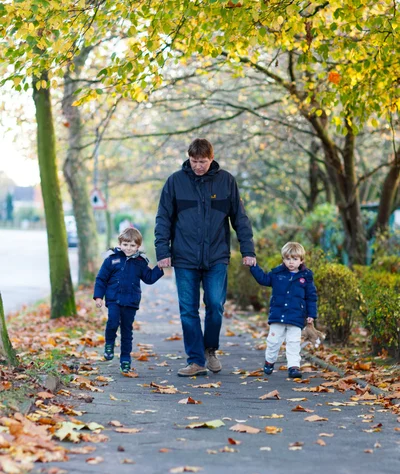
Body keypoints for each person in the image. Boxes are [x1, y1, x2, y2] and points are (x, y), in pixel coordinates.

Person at [155, 138, 256, 377]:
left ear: (211, 158)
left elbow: (239, 219)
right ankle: (196, 361)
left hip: (216, 257)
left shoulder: (226, 182)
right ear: (188, 158)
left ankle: (210, 349)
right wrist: (163, 252)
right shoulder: (175, 182)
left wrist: (248, 250)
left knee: (215, 305)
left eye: (202, 161)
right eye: (194, 161)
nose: (198, 166)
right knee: (188, 310)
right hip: (185, 258)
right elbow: (163, 219)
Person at [94, 227, 163, 374]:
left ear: (138, 246)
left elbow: (149, 278)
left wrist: (160, 268)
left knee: (127, 331)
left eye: (132, 245)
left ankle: (125, 359)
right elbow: (101, 279)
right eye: (125, 244)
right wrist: (99, 296)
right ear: (120, 243)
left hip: (131, 301)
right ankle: (109, 344)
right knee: (112, 322)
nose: (128, 248)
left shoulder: (140, 262)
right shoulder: (111, 260)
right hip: (114, 299)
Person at [249, 241, 318, 379]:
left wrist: (311, 314)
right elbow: (263, 279)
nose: (291, 262)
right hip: (278, 314)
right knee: (273, 341)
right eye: (288, 259)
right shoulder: (277, 274)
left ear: (301, 260)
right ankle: (269, 360)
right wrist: (253, 267)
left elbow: (311, 297)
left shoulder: (306, 278)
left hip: (296, 316)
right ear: (283, 259)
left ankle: (293, 367)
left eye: (295, 259)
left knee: (293, 342)